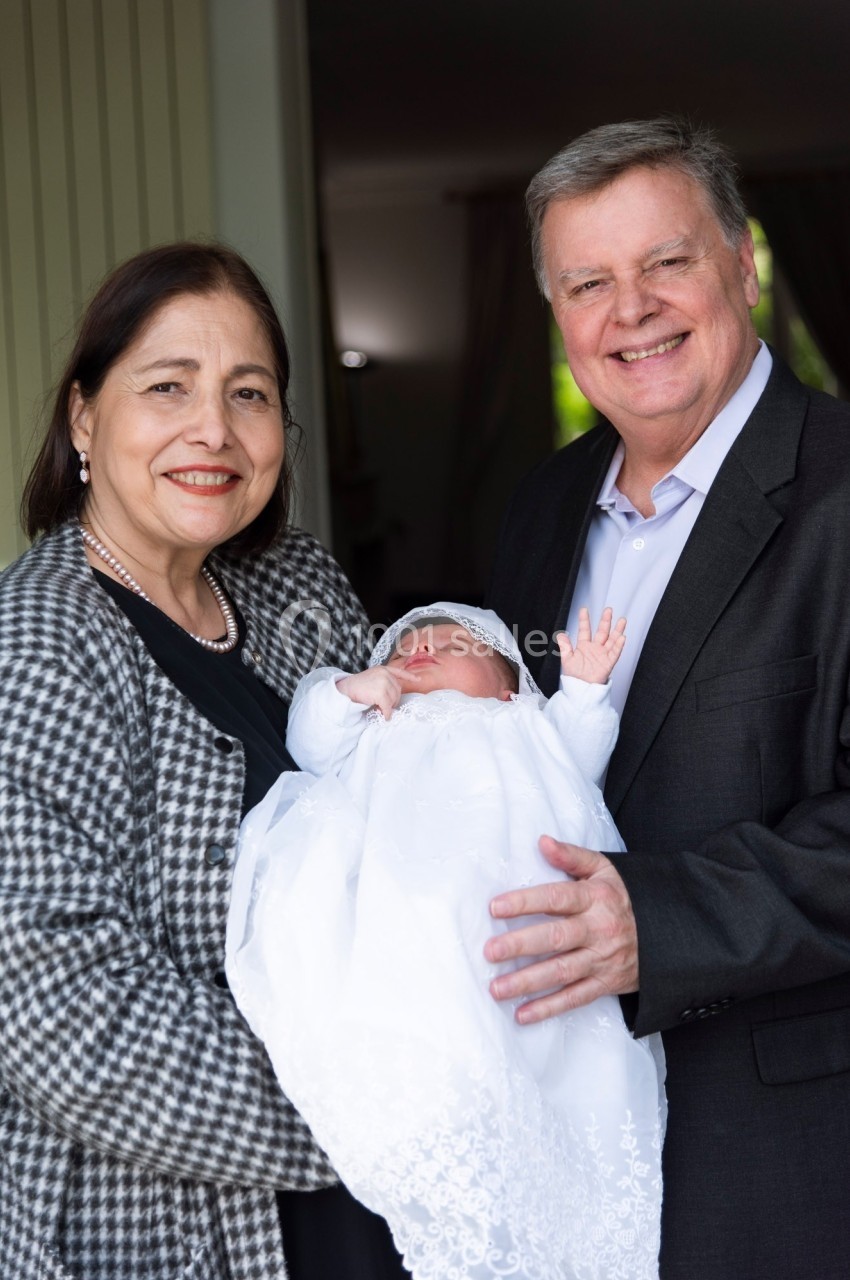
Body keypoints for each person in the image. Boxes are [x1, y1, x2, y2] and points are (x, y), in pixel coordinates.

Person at [0, 243, 415, 1280]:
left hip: (374, 1205)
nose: (214, 430)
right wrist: (386, 1107)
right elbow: (60, 1011)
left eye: (249, 392)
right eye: (167, 387)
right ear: (85, 417)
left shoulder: (294, 584)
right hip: (162, 1222)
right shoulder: (36, 648)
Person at [485, 116, 850, 1280]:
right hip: (573, 1160)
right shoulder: (538, 511)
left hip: (791, 1169)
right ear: (558, 315)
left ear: (741, 264)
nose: (628, 308)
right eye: (588, 281)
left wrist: (663, 918)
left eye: (666, 262)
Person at [226, 602, 666, 1280]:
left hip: (510, 911)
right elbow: (310, 738)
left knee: (554, 1046)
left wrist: (583, 691)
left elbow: (578, 762)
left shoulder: (521, 724)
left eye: (454, 643)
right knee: (409, 955)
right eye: (403, 646)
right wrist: (350, 692)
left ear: (507, 685)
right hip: (401, 891)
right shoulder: (379, 720)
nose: (421, 650)